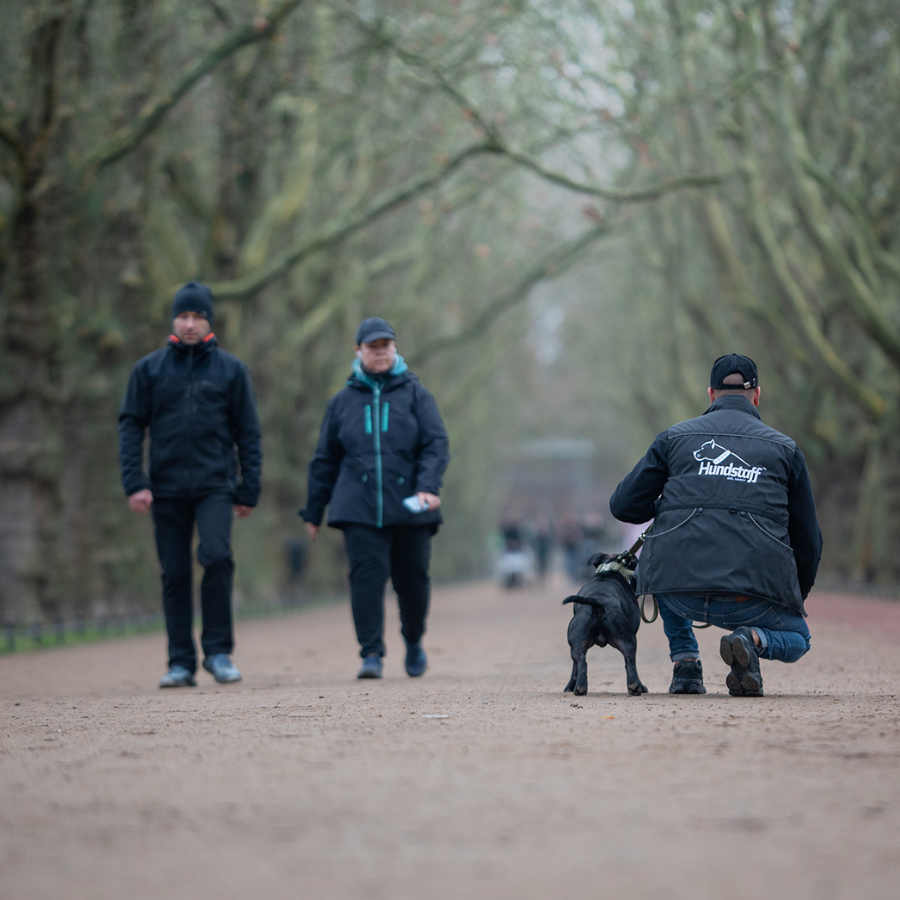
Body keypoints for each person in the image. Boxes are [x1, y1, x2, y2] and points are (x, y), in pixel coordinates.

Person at [609, 354, 822, 696]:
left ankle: (686, 664)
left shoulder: (673, 439)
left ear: (710, 394)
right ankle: (751, 638)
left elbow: (622, 505)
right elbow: (809, 541)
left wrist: (667, 508)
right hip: (752, 597)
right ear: (757, 395)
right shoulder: (786, 450)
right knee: (799, 637)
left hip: (679, 596)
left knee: (670, 555)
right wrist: (794, 597)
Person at [118, 282, 262, 688]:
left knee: (217, 557)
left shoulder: (232, 371)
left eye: (198, 316)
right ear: (173, 320)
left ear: (209, 322)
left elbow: (249, 433)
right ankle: (180, 662)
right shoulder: (148, 370)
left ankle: (218, 652)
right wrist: (135, 482)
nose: (190, 324)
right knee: (174, 572)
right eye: (183, 316)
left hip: (216, 484)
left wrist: (249, 487)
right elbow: (130, 426)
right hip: (164, 487)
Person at [300, 317, 450, 679]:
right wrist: (314, 510)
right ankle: (370, 653)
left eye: (386, 346)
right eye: (373, 347)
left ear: (395, 349)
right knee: (365, 581)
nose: (380, 352)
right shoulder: (341, 402)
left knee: (413, 582)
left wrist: (427, 486)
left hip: (411, 506)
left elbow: (436, 444)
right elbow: (325, 458)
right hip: (358, 506)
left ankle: (413, 639)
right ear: (359, 351)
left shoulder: (417, 395)